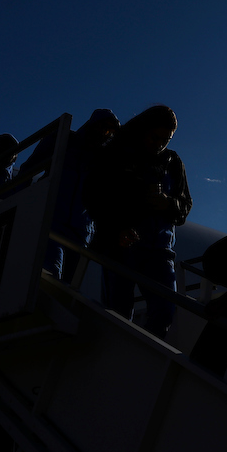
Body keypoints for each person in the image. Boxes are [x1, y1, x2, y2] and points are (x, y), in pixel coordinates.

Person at [85, 105, 191, 338]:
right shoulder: (116, 154)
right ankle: (116, 358)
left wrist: (169, 204)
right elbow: (95, 198)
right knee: (119, 313)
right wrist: (116, 229)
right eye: (156, 137)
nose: (160, 144)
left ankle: (144, 363)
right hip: (121, 247)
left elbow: (185, 206)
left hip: (159, 250)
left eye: (167, 139)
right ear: (144, 129)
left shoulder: (172, 162)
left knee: (165, 310)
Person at [20, 108, 119, 282]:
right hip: (52, 218)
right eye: (102, 126)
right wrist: (14, 204)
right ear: (92, 125)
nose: (104, 132)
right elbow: (29, 169)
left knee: (70, 284)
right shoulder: (64, 140)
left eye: (109, 129)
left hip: (82, 229)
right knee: (51, 274)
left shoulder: (105, 160)